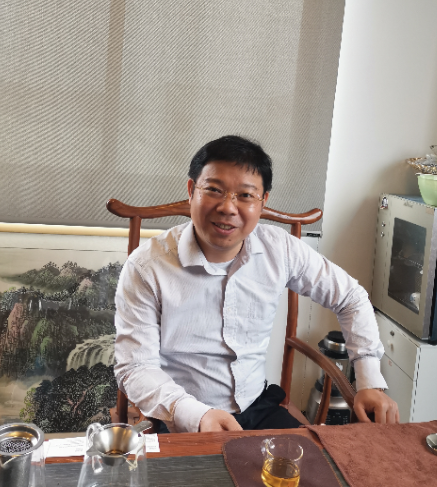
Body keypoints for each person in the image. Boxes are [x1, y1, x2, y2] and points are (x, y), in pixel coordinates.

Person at [114, 135, 399, 433]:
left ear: (263, 202)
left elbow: (350, 297)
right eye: (214, 190)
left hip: (258, 408)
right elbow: (135, 367)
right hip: (183, 416)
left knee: (313, 462)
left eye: (245, 195)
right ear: (191, 190)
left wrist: (369, 380)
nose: (228, 207)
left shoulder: (280, 249)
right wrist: (196, 415)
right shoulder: (147, 267)